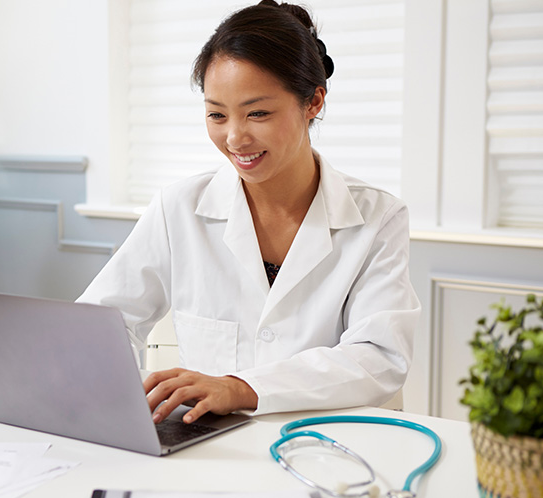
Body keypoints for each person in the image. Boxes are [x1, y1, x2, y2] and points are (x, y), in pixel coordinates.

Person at [77, 0, 420, 425]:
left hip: (324, 444)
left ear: (313, 101)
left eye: (257, 113)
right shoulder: (178, 208)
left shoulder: (378, 217)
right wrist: (124, 402)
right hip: (207, 447)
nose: (235, 138)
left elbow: (379, 357)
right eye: (216, 115)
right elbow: (101, 323)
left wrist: (242, 388)